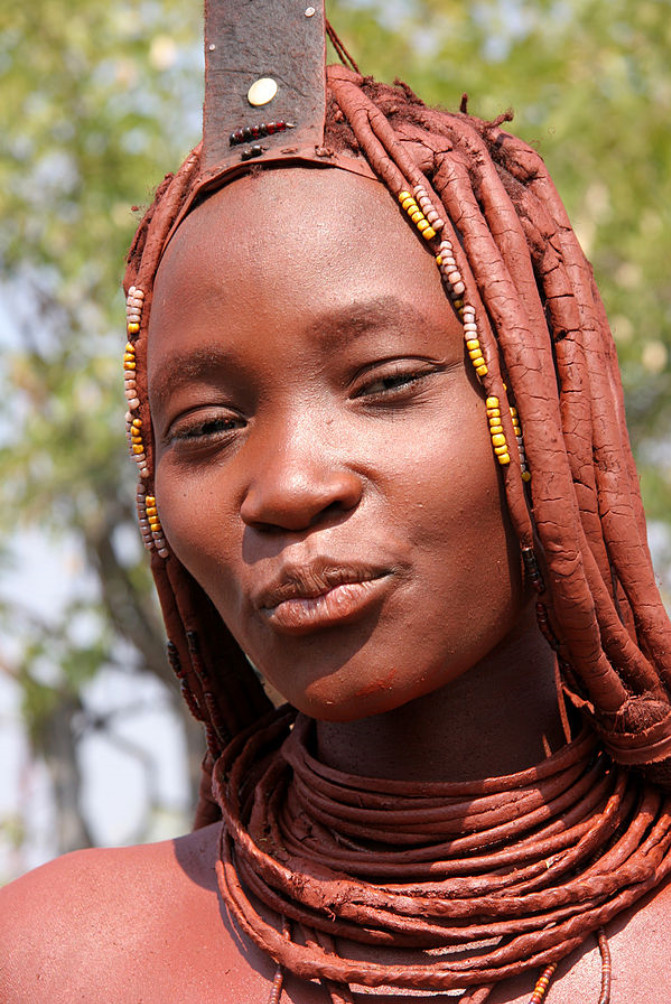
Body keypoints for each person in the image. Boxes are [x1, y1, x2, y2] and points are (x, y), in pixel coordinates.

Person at [2, 4, 671, 1002]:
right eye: (206, 427)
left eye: (385, 381)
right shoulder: (56, 958)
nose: (286, 485)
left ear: (540, 407)